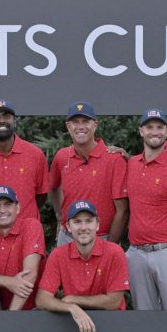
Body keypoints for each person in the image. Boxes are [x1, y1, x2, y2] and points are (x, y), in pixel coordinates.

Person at [125, 109, 167, 311]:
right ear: (141, 131)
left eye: (159, 127)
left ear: (166, 132)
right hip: (137, 253)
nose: (154, 132)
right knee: (144, 317)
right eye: (149, 127)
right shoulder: (131, 164)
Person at [36, 200, 130, 332]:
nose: (83, 227)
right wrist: (71, 307)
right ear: (68, 226)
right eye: (77, 222)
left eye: (88, 221)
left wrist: (74, 300)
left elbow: (114, 302)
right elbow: (42, 299)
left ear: (97, 224)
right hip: (74, 323)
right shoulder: (58, 254)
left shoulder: (115, 252)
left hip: (112, 324)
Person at [48, 102, 128, 246]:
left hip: (102, 238)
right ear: (68, 126)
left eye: (86, 121)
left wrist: (110, 247)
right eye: (75, 122)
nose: (80, 127)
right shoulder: (62, 156)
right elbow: (53, 187)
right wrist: (60, 217)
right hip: (67, 237)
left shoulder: (114, 158)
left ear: (95, 125)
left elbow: (122, 211)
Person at [0, 185, 46, 310]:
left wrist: (11, 316)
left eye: (8, 204)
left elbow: (29, 276)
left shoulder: (31, 225)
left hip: (35, 311)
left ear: (18, 208)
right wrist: (9, 282)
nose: (2, 210)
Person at [0, 100, 49, 221]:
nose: (1, 120)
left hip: (28, 231)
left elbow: (41, 195)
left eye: (7, 116)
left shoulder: (35, 155)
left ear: (14, 121)